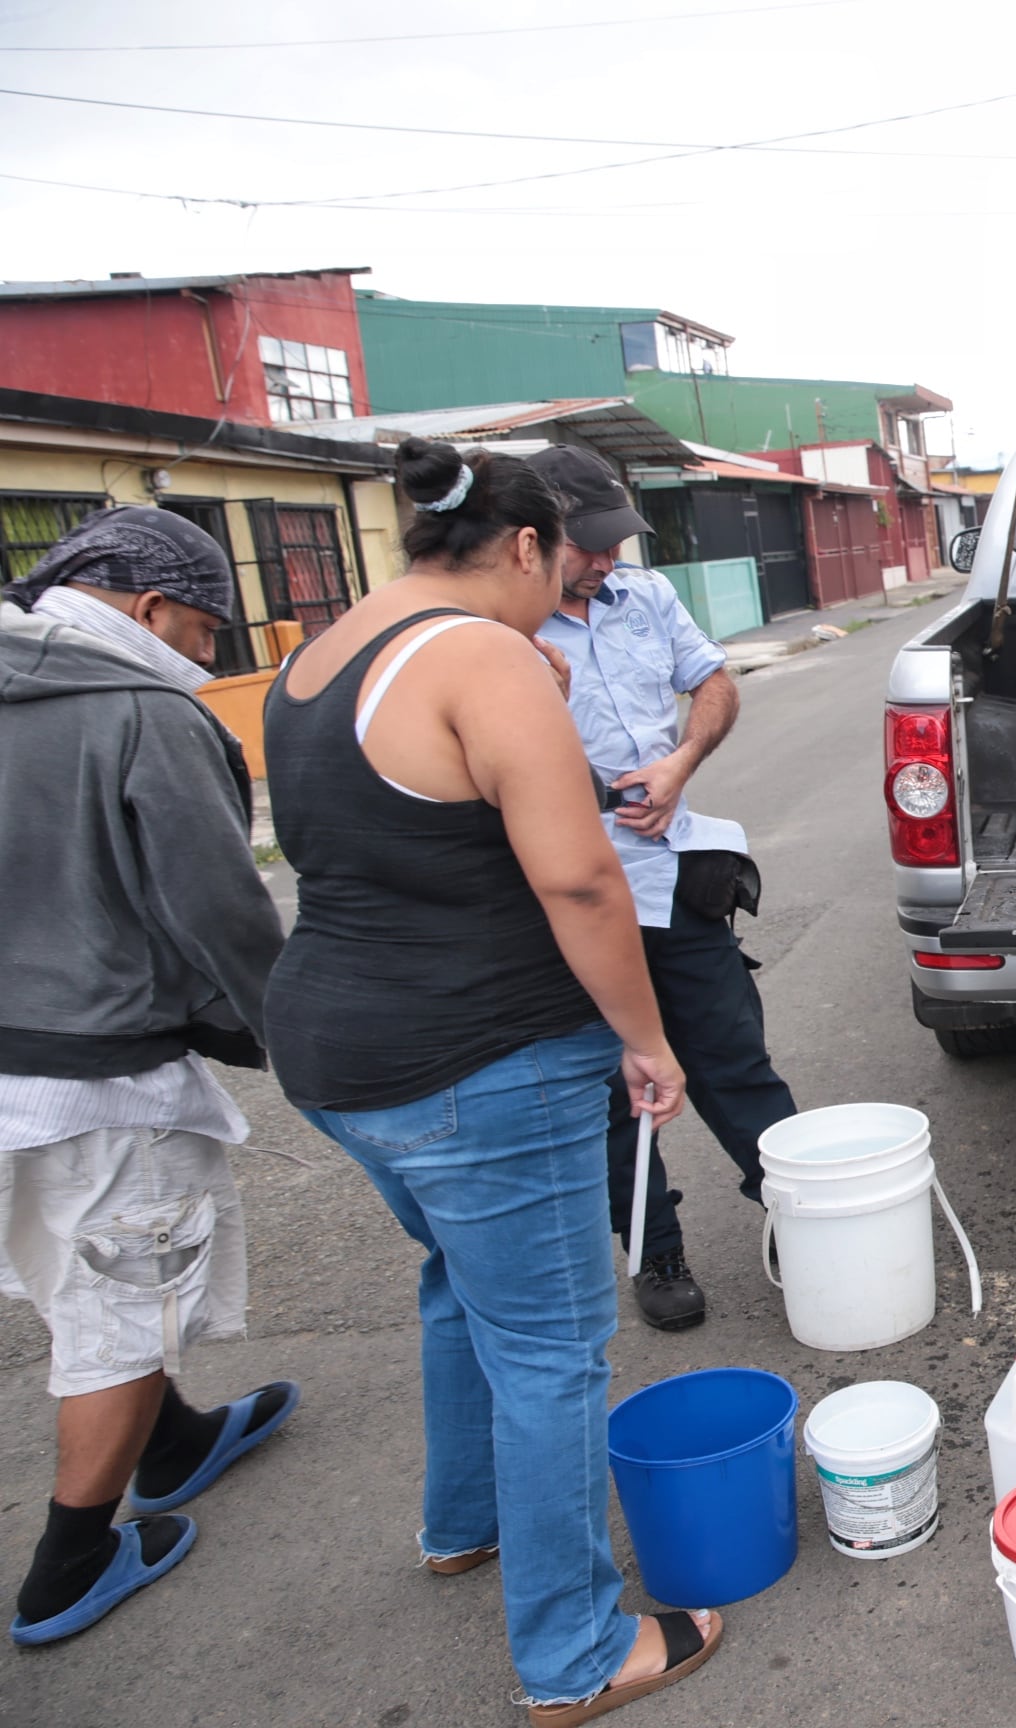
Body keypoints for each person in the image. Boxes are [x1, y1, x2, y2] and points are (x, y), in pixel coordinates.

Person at [263, 440, 721, 1721]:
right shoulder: (485, 657)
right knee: (554, 1351)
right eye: (566, 569)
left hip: (334, 1055)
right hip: (480, 1063)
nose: (570, 594)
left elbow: (389, 832)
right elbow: (578, 880)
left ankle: (462, 1523)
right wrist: (645, 1037)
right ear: (523, 548)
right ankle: (575, 1654)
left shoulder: (320, 656)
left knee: (460, 1288)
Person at [0, 508, 298, 1646]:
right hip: (90, 1076)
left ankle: (173, 1440)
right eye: (204, 630)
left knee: (72, 1270)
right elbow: (217, 909)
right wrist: (294, 1039)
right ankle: (70, 1562)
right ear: (144, 608)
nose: (207, 658)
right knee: (122, 1308)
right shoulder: (140, 711)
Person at [525, 444, 797, 1332]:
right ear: (531, 539)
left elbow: (713, 681)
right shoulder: (500, 632)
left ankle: (796, 1212)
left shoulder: (645, 596)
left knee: (731, 1054)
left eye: (615, 541)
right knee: (611, 1087)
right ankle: (656, 1248)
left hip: (674, 868)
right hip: (567, 891)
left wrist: (681, 761)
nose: (606, 560)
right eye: (588, 545)